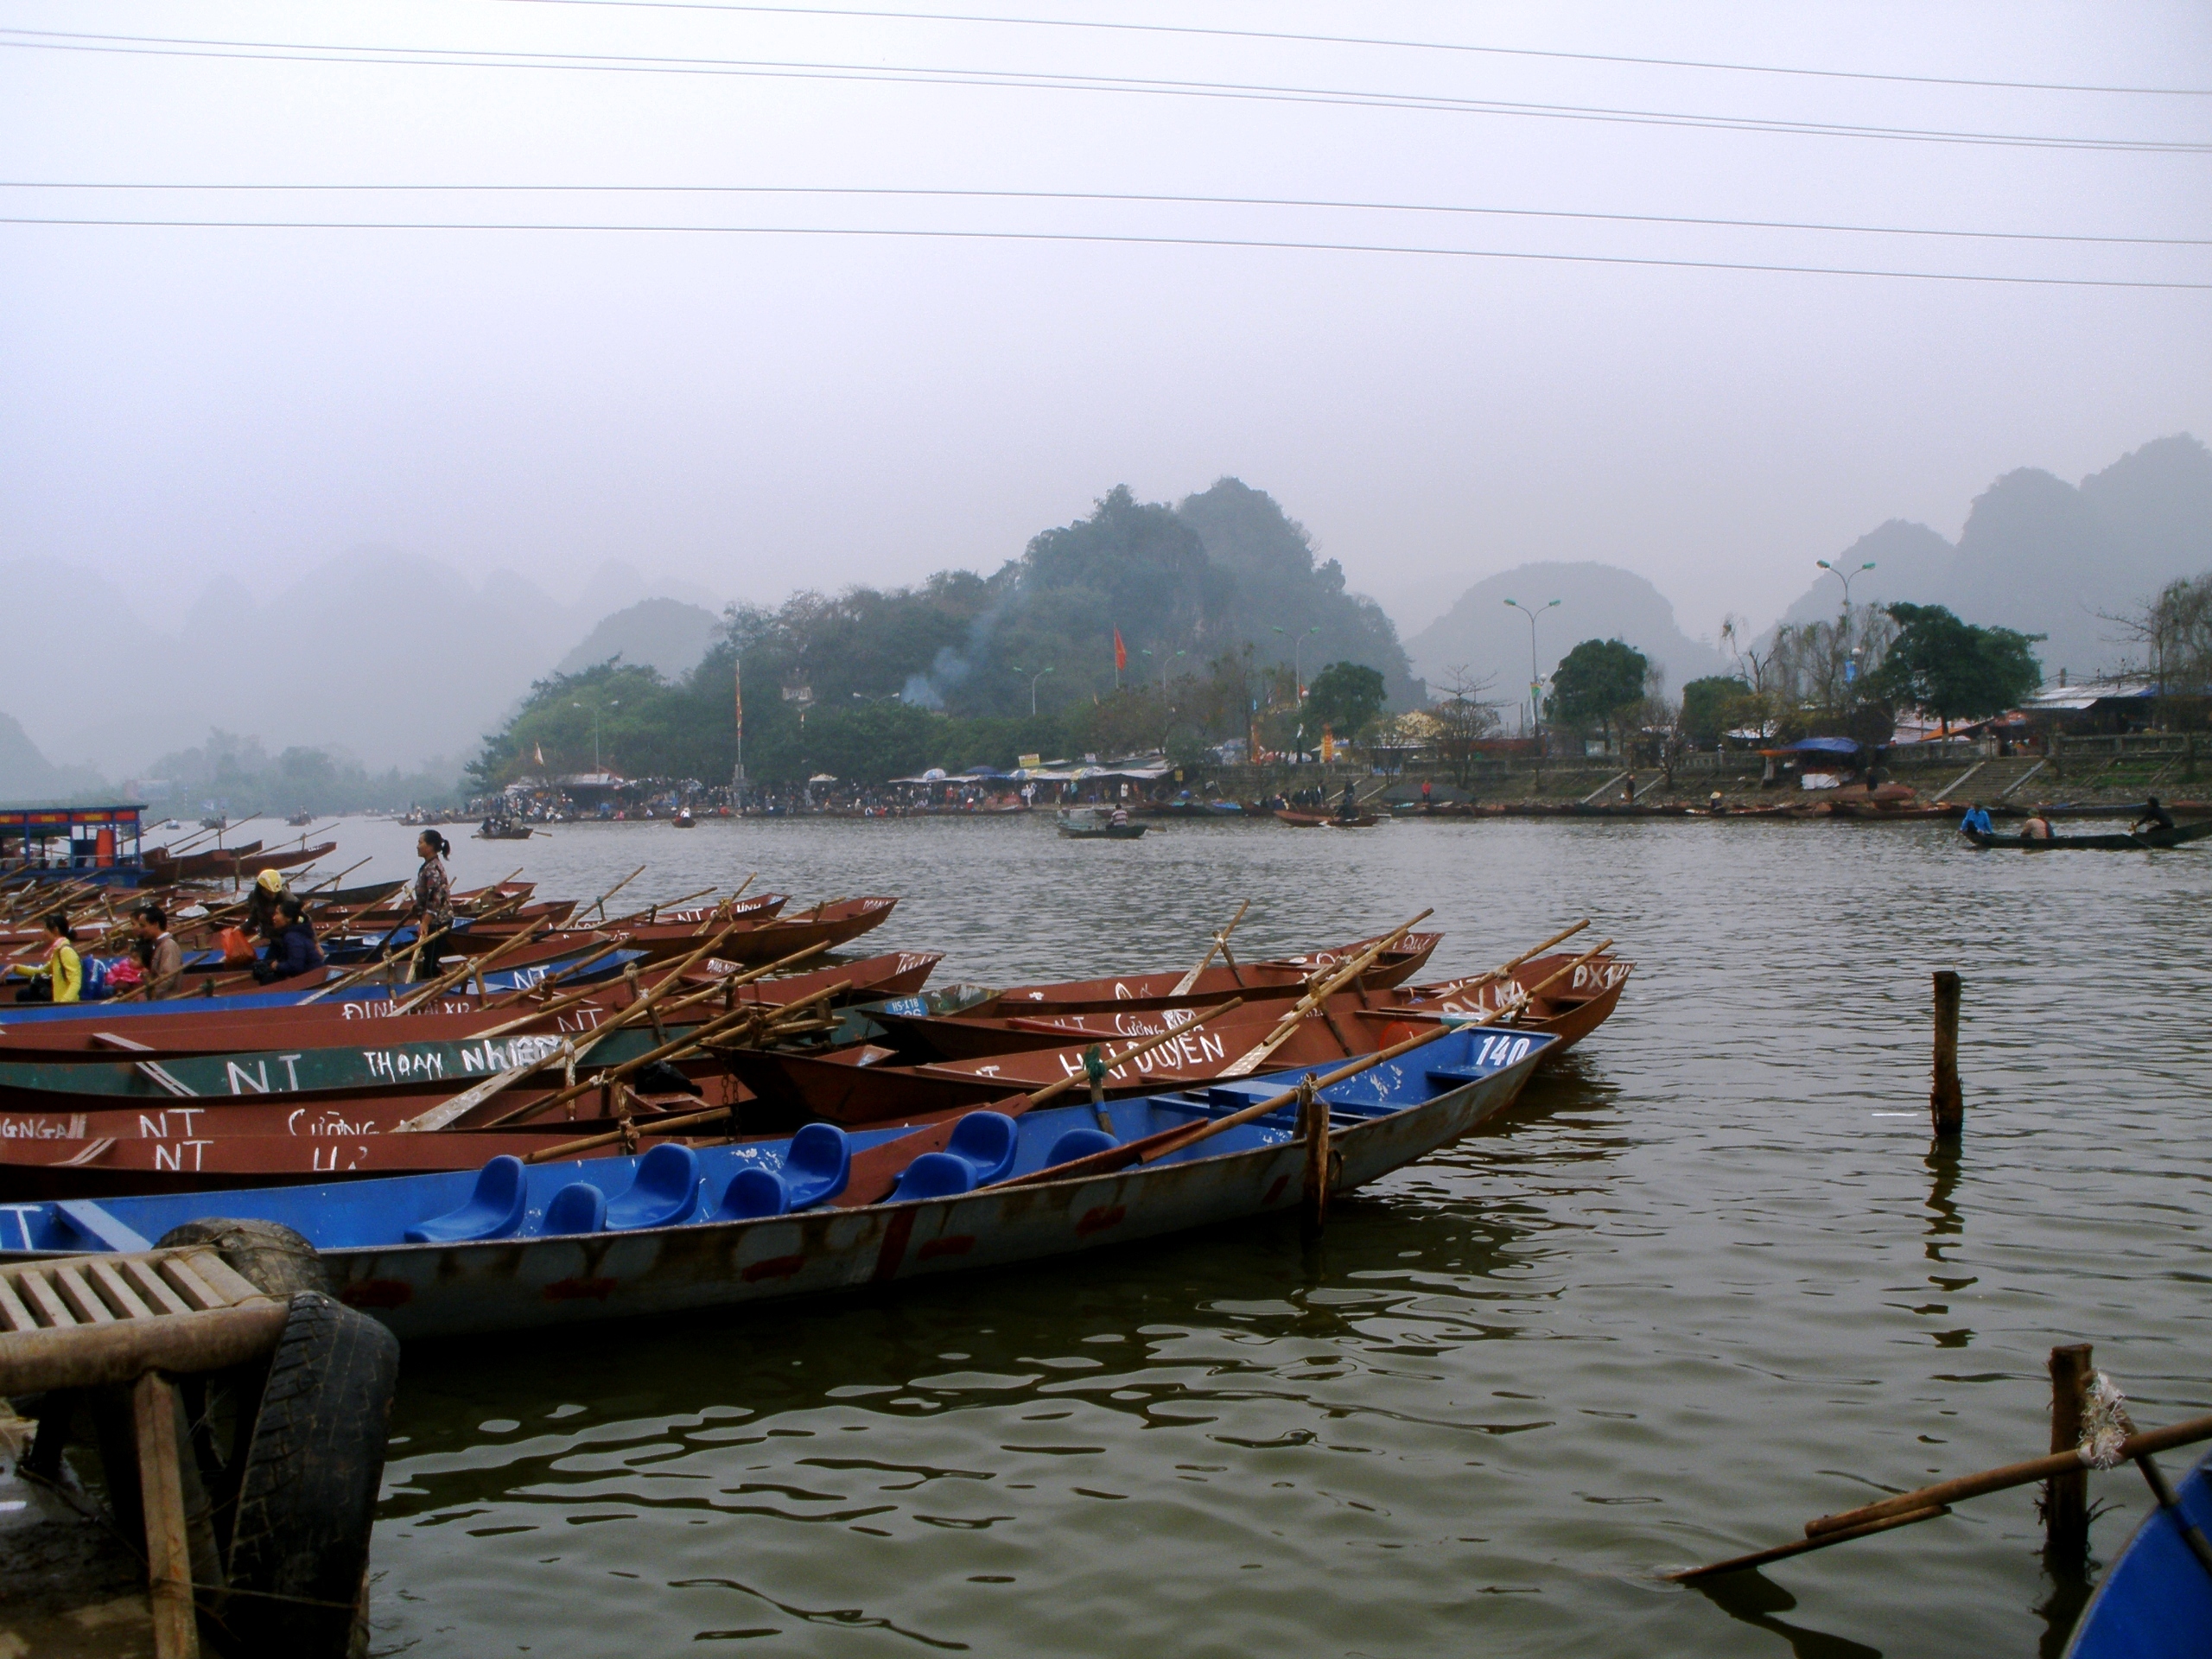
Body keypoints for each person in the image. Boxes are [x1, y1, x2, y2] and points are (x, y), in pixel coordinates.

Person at [409, 829, 454, 981]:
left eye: (420, 842)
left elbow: (435, 900)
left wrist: (425, 923)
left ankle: (432, 994)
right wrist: (417, 907)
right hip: (431, 920)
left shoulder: (433, 869)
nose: (417, 846)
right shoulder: (427, 866)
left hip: (438, 922)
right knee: (428, 961)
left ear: (430, 846)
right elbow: (426, 895)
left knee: (429, 966)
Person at [254, 894, 326, 983]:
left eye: (277, 913)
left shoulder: (292, 937)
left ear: (288, 918)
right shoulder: (294, 933)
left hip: (313, 980)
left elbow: (296, 966)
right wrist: (271, 964)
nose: (273, 917)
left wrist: (277, 966)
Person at [11, 912, 81, 1003]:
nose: (43, 933)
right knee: (23, 994)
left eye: (45, 929)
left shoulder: (66, 951)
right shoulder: (58, 951)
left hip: (65, 1006)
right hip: (59, 1002)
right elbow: (42, 971)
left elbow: (75, 982)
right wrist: (15, 968)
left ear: (55, 930)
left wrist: (63, 1004)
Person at [134, 903, 185, 997]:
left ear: (156, 924)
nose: (140, 930)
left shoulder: (168, 946)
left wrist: (149, 994)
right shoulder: (158, 945)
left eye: (143, 926)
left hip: (166, 1004)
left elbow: (167, 978)